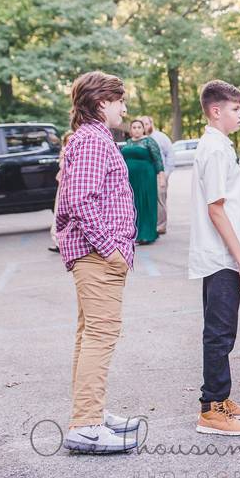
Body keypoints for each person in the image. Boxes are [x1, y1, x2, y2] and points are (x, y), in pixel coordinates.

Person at [56, 71, 139, 453]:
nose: (124, 107)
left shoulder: (93, 138)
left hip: (96, 255)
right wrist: (112, 249)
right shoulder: (93, 140)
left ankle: (88, 412)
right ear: (102, 102)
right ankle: (87, 426)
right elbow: (79, 200)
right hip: (97, 256)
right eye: (119, 100)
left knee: (88, 335)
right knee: (100, 336)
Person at [188, 79, 240, 436]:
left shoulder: (220, 144)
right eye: (235, 109)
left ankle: (222, 398)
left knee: (224, 330)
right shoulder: (214, 149)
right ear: (216, 111)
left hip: (225, 255)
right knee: (219, 333)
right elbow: (216, 210)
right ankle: (211, 410)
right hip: (221, 257)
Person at [122, 119, 164, 245]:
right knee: (133, 205)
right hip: (131, 179)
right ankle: (135, 234)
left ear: (143, 129)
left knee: (146, 204)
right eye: (134, 127)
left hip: (146, 177)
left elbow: (158, 159)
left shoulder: (149, 141)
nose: (136, 129)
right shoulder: (128, 142)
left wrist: (161, 177)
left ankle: (147, 234)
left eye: (139, 127)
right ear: (130, 130)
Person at [139, 116, 174, 235]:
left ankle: (161, 226)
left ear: (151, 123)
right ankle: (151, 225)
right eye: (142, 124)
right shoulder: (140, 139)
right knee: (149, 200)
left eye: (146, 124)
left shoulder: (160, 137)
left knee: (160, 200)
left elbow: (170, 154)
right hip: (146, 175)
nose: (145, 127)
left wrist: (167, 173)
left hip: (160, 174)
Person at [48, 131, 74, 254]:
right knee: (59, 212)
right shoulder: (64, 152)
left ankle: (68, 241)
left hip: (74, 186)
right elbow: (62, 166)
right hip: (64, 186)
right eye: (68, 141)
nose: (70, 142)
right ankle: (58, 241)